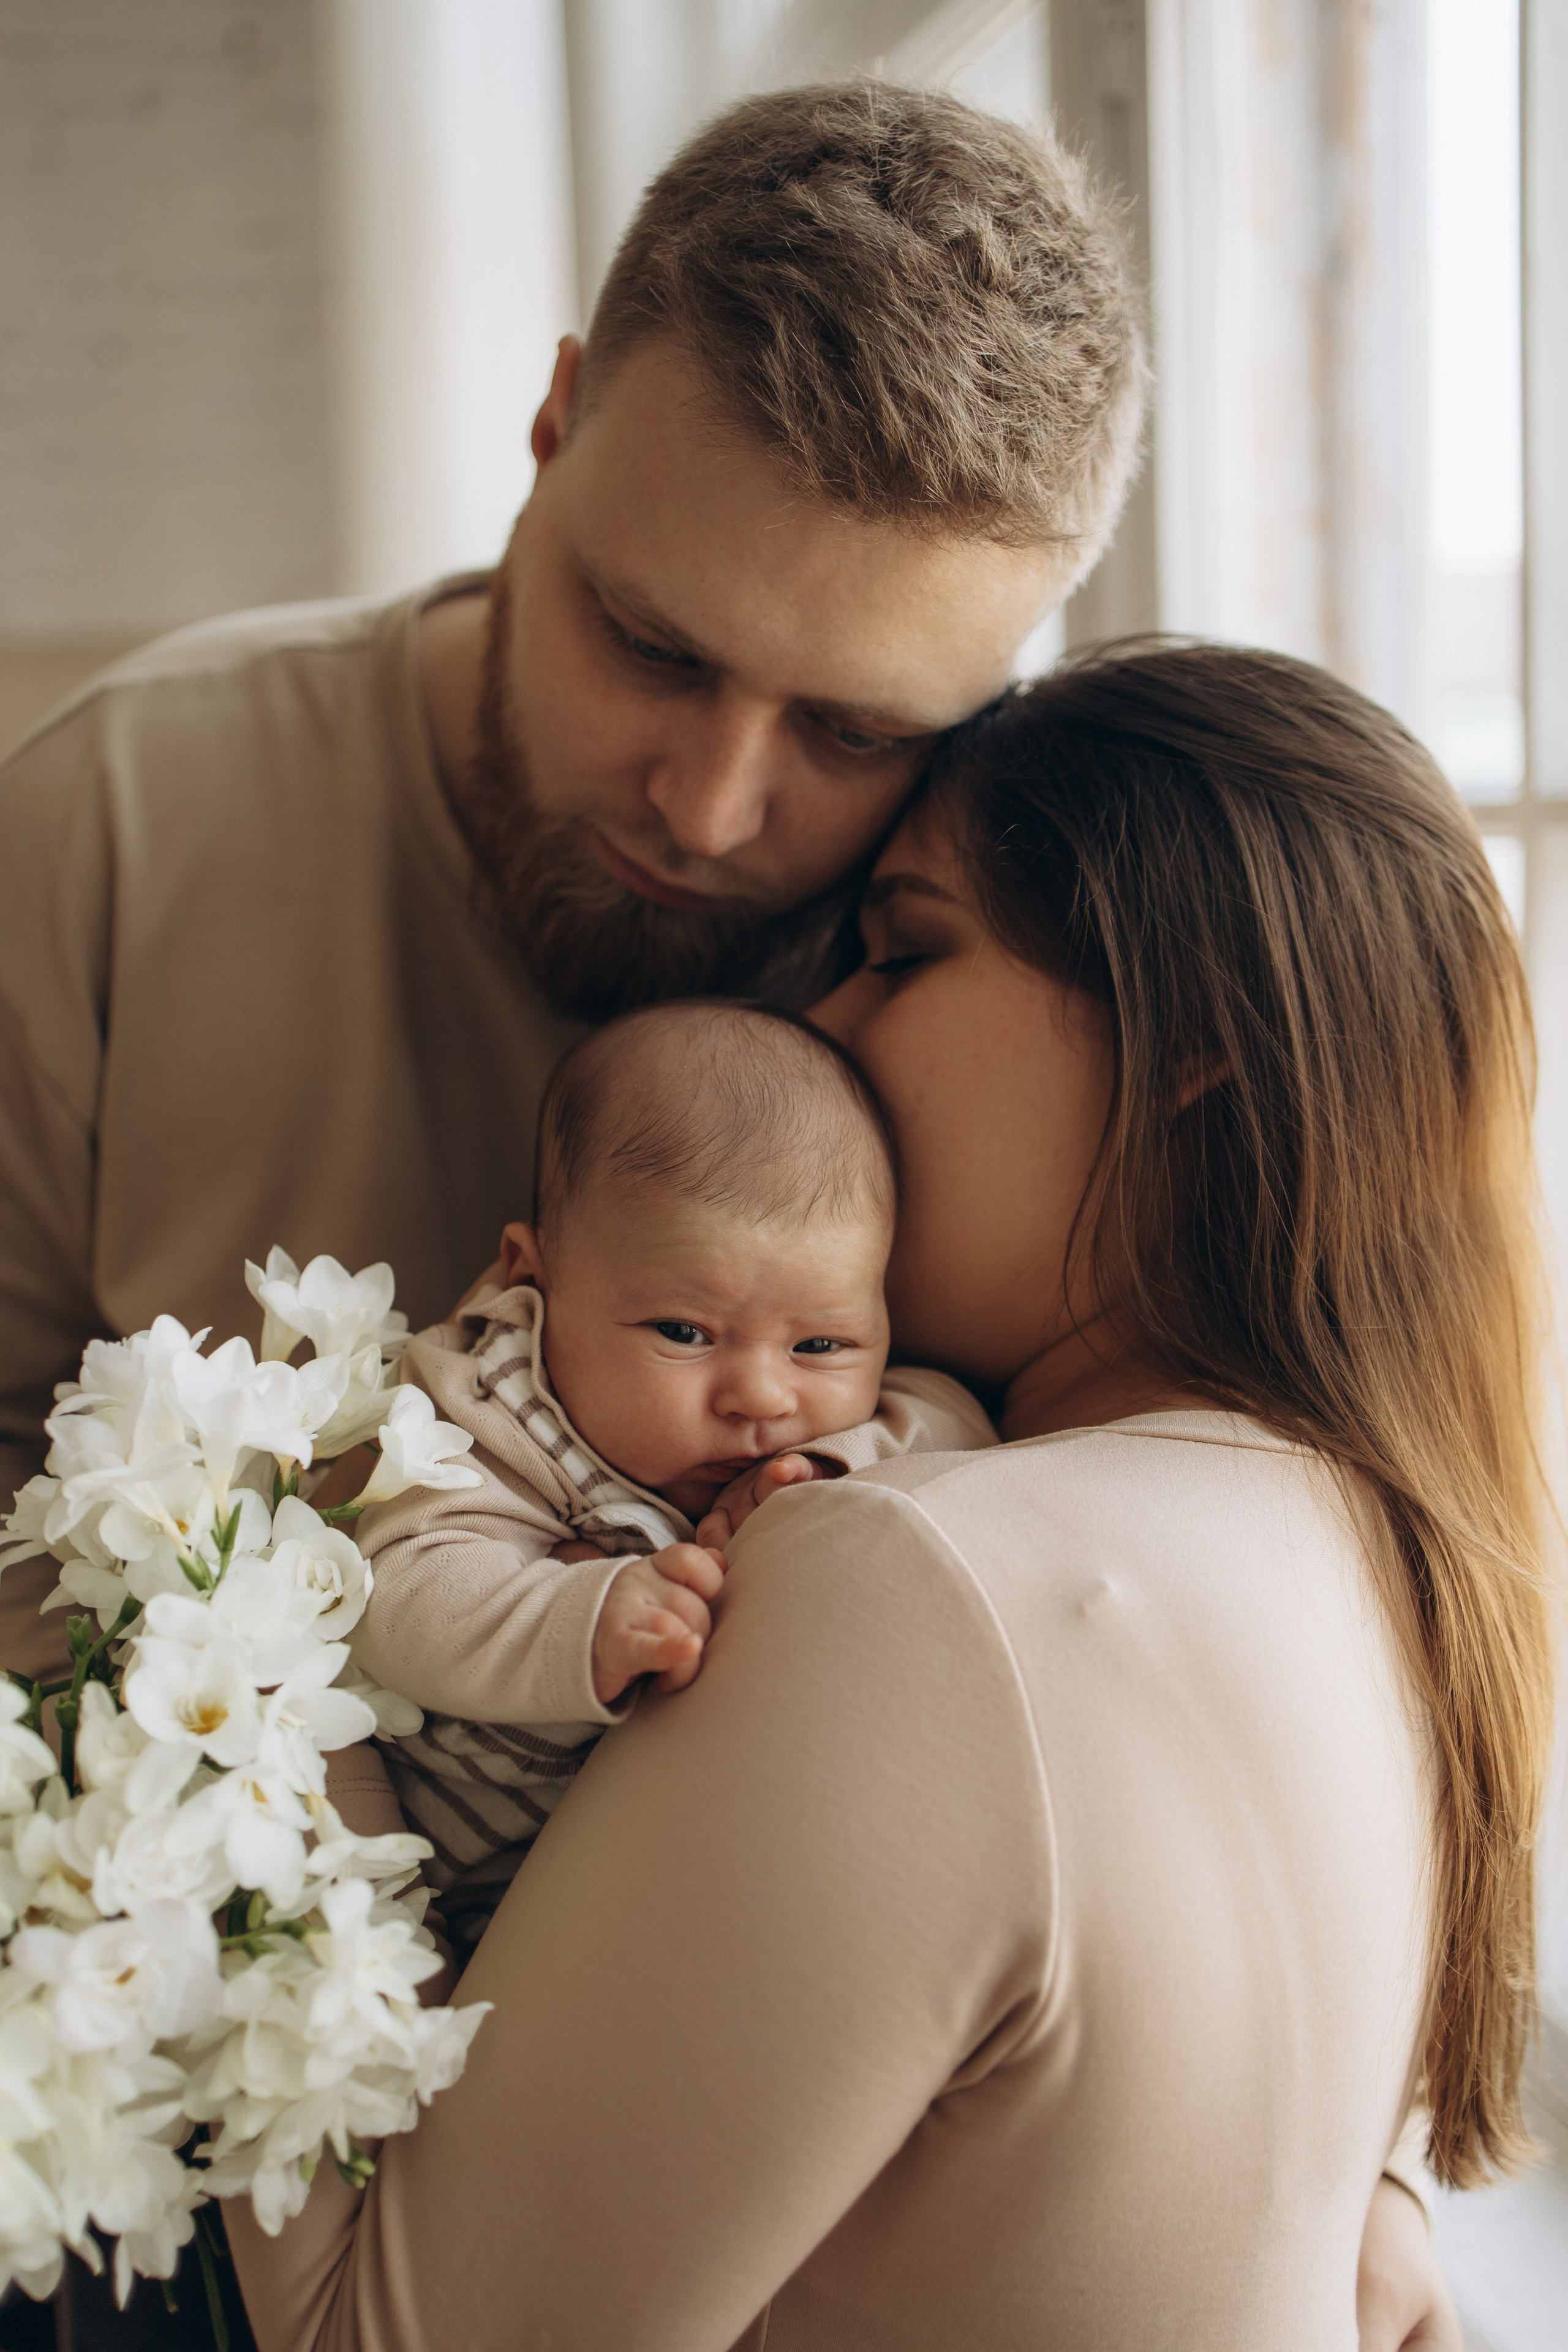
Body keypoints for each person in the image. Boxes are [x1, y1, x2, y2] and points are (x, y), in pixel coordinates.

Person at [224, 641, 1550, 2348]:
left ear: (1190, 1044)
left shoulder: (913, 1585)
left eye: (903, 951)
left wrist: (257, 1657)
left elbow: (375, 2341)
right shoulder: (1388, 1545)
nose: (818, 1032)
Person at [0, 78, 1144, 1692]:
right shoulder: (116, 814)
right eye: (654, 647)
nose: (713, 807)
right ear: (555, 424)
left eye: (856, 727)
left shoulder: (996, 970)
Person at [350, 1001, 991, 1943]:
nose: (762, 1396)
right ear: (532, 1278)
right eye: (685, 1333)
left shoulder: (818, 1441)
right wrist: (585, 1618)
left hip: (630, 1897)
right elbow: (398, 1595)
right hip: (423, 1888)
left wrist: (832, 1460)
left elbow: (960, 1430)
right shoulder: (490, 1405)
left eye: (822, 1343)